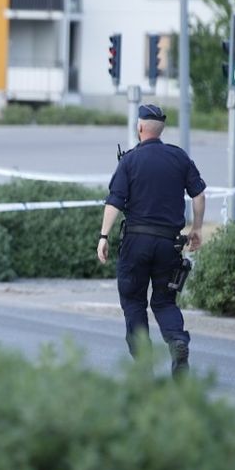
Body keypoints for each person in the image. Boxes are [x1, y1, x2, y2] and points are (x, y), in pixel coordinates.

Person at [96, 104, 206, 377]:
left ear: (140, 127)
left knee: (133, 301)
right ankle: (177, 340)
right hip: (169, 244)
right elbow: (199, 195)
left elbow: (115, 201)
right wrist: (197, 229)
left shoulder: (129, 160)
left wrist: (103, 235)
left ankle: (144, 362)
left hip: (136, 242)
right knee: (165, 301)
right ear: (161, 128)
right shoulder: (179, 158)